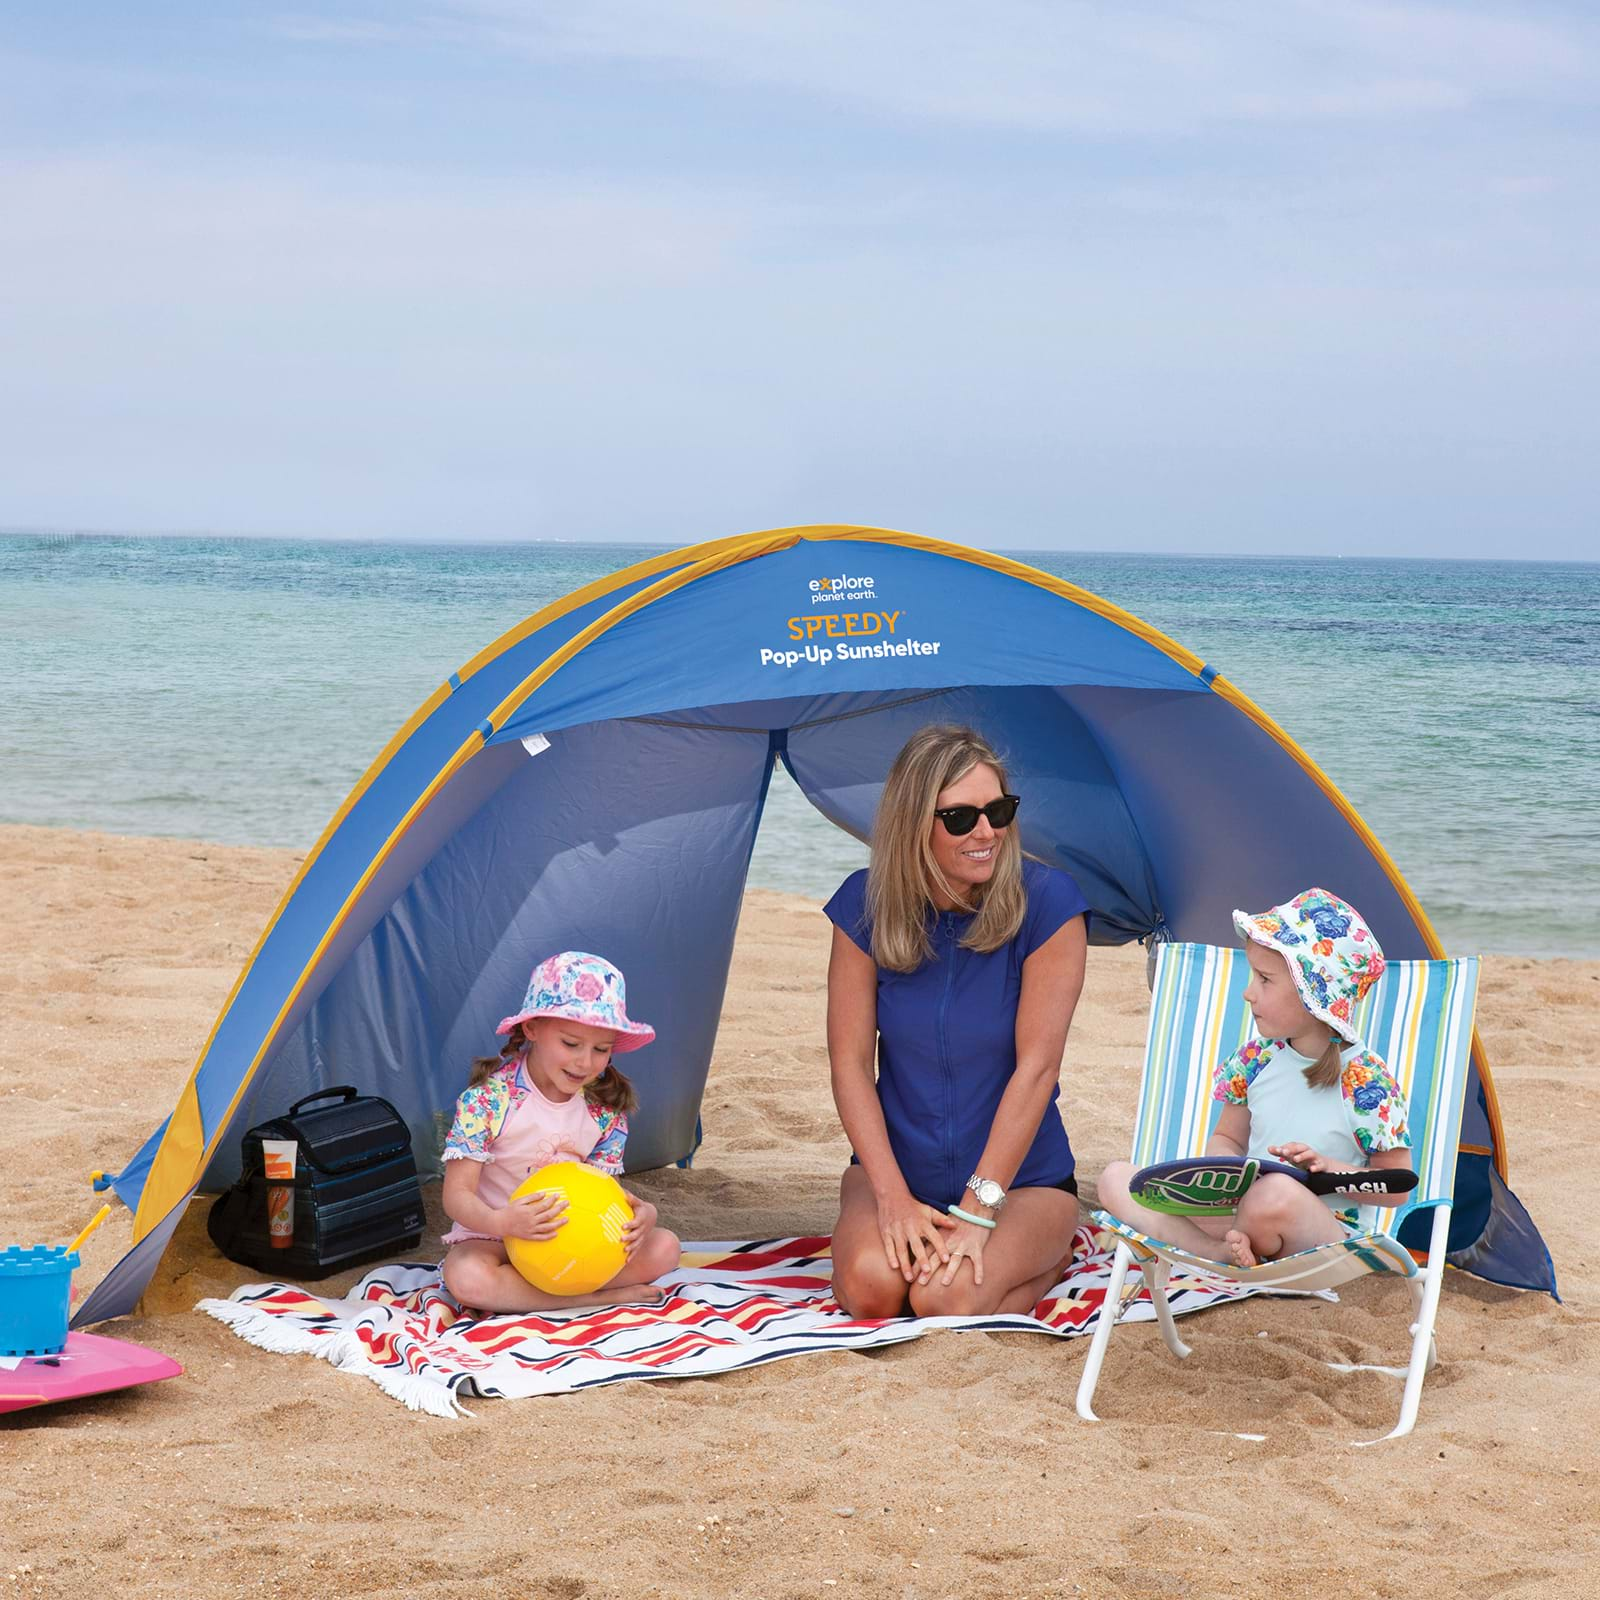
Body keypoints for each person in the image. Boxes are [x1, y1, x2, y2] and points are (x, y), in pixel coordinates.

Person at [824, 724, 1090, 1318]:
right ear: (913, 823)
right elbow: (848, 1066)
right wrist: (891, 1197)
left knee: (942, 1299)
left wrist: (978, 1210)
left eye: (998, 810)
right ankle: (919, 1231)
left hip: (1021, 1183)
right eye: (961, 818)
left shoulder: (1050, 905)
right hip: (893, 1174)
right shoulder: (862, 907)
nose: (987, 832)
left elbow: (1038, 1069)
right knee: (871, 1292)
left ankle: (1049, 1254)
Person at [1097, 887, 1410, 1268]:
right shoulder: (1255, 1059)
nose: (1248, 993)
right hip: (1244, 1212)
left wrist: (1328, 1170)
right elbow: (1228, 1138)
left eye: (1265, 979)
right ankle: (1215, 1252)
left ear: (1314, 996)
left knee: (1274, 1193)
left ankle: (1230, 1245)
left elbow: (1396, 1186)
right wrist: (1221, 1172)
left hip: (1322, 1236)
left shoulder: (1364, 1080)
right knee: (1118, 1179)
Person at [439, 950, 681, 1312]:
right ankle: (596, 1297)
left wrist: (639, 1213)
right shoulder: (488, 1100)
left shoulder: (604, 1113)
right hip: (495, 1237)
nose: (585, 1062)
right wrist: (501, 1221)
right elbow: (456, 1195)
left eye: (601, 1049)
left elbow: (602, 1193)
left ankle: (535, 1295)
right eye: (571, 1044)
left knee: (665, 1247)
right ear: (531, 1028)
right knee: (466, 1276)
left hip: (576, 1241)